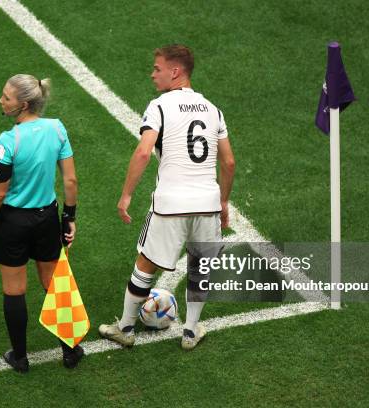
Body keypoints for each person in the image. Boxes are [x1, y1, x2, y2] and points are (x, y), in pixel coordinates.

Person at [98, 45, 236, 350]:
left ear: (176, 72)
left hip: (170, 204)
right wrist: (223, 202)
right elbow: (228, 163)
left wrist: (126, 195)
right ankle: (190, 332)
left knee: (146, 263)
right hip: (207, 204)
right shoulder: (213, 110)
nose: (152, 74)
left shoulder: (159, 106)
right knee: (201, 265)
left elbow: (144, 151)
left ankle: (125, 329)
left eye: (157, 68)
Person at [0, 74, 83, 372]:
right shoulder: (57, 129)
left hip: (13, 223)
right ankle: (70, 351)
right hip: (47, 217)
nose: (0, 100)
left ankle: (19, 357)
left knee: (15, 289)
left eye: (6, 97)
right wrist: (69, 217)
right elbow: (70, 180)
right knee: (52, 284)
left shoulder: (9, 141)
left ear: (22, 105)